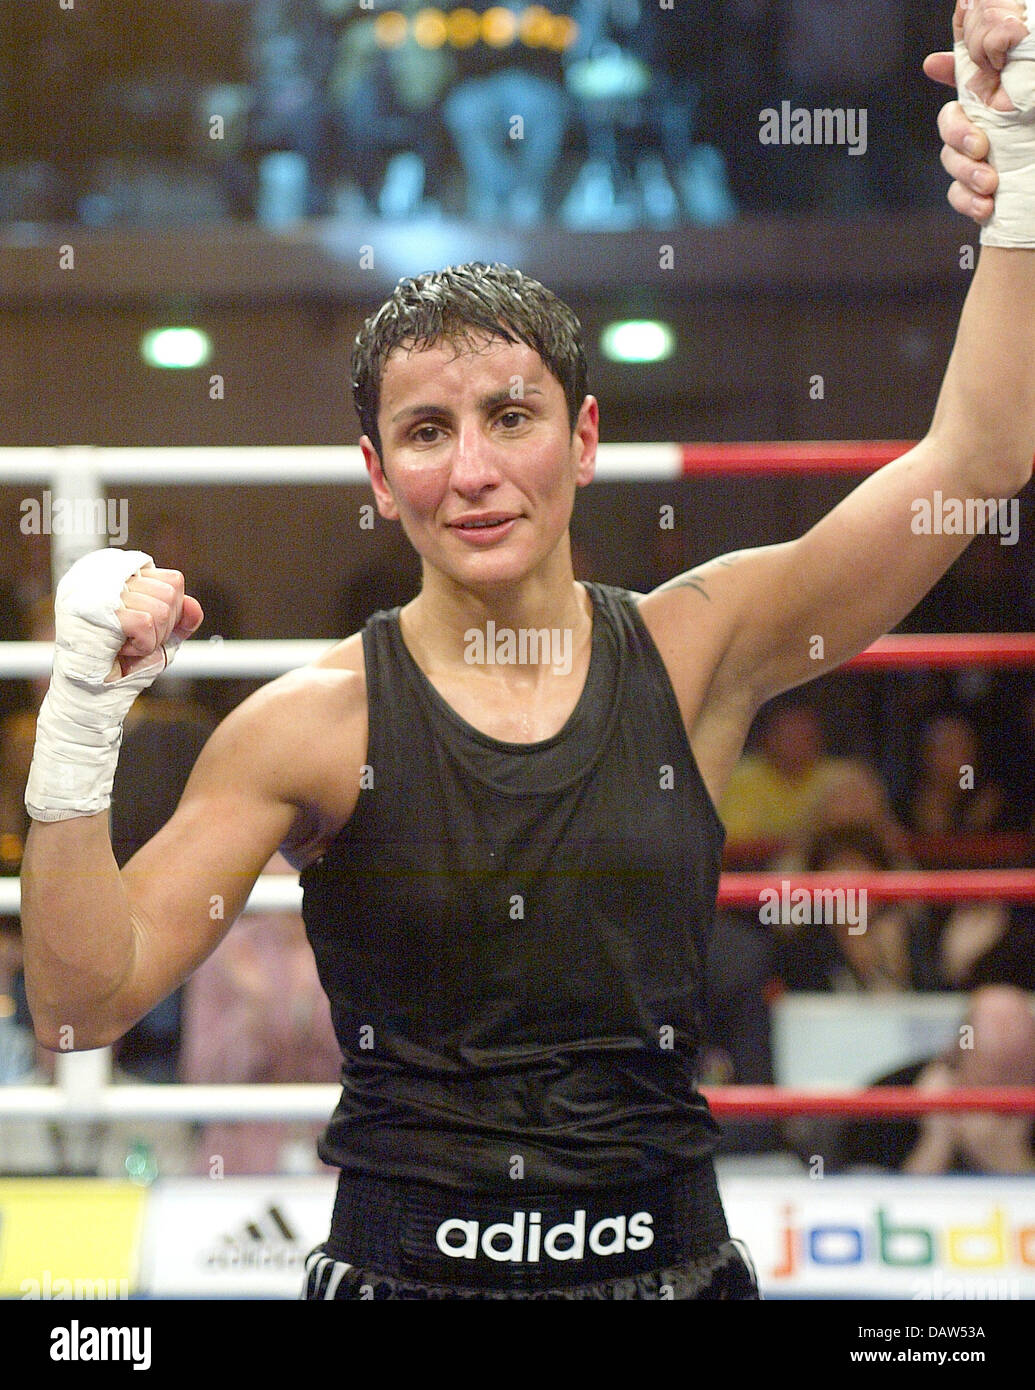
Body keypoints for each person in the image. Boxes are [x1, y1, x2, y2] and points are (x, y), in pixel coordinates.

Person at [17, 1, 1034, 1301]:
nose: (478, 469)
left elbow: (979, 457)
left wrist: (1024, 169)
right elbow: (79, 1006)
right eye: (430, 432)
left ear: (587, 436)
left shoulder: (695, 647)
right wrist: (81, 710)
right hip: (408, 1276)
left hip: (668, 1268)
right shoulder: (311, 726)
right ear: (379, 478)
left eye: (511, 416)